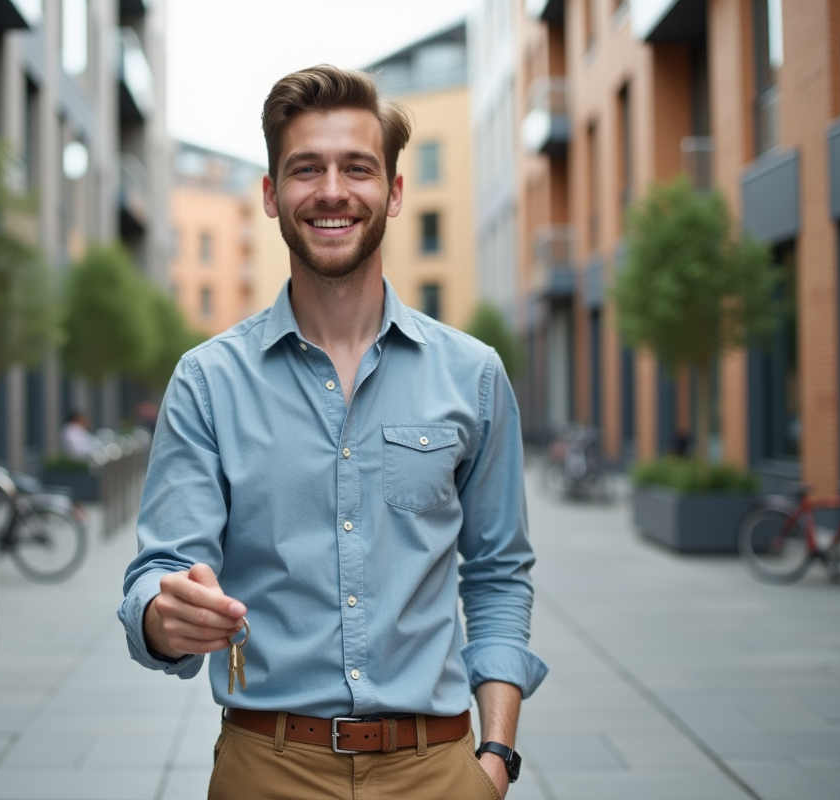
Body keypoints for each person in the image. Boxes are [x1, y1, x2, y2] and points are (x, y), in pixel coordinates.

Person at [118, 65, 546, 799]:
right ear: (270, 195)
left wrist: (497, 756)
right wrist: (165, 616)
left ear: (396, 192)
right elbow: (160, 572)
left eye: (358, 167)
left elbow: (499, 572)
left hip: (438, 769)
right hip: (267, 766)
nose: (332, 190)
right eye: (305, 168)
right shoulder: (207, 381)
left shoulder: (472, 375)